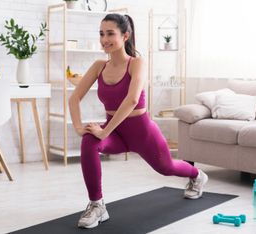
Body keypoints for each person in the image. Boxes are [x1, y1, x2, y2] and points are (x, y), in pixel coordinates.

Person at [68, 13, 208, 229]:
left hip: (142, 134)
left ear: (125, 36)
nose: (104, 39)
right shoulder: (99, 66)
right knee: (89, 140)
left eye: (110, 34)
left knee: (166, 167)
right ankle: (97, 205)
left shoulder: (137, 63)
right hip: (116, 133)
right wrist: (79, 127)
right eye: (101, 34)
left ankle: (197, 175)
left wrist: (104, 132)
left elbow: (132, 100)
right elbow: (74, 97)